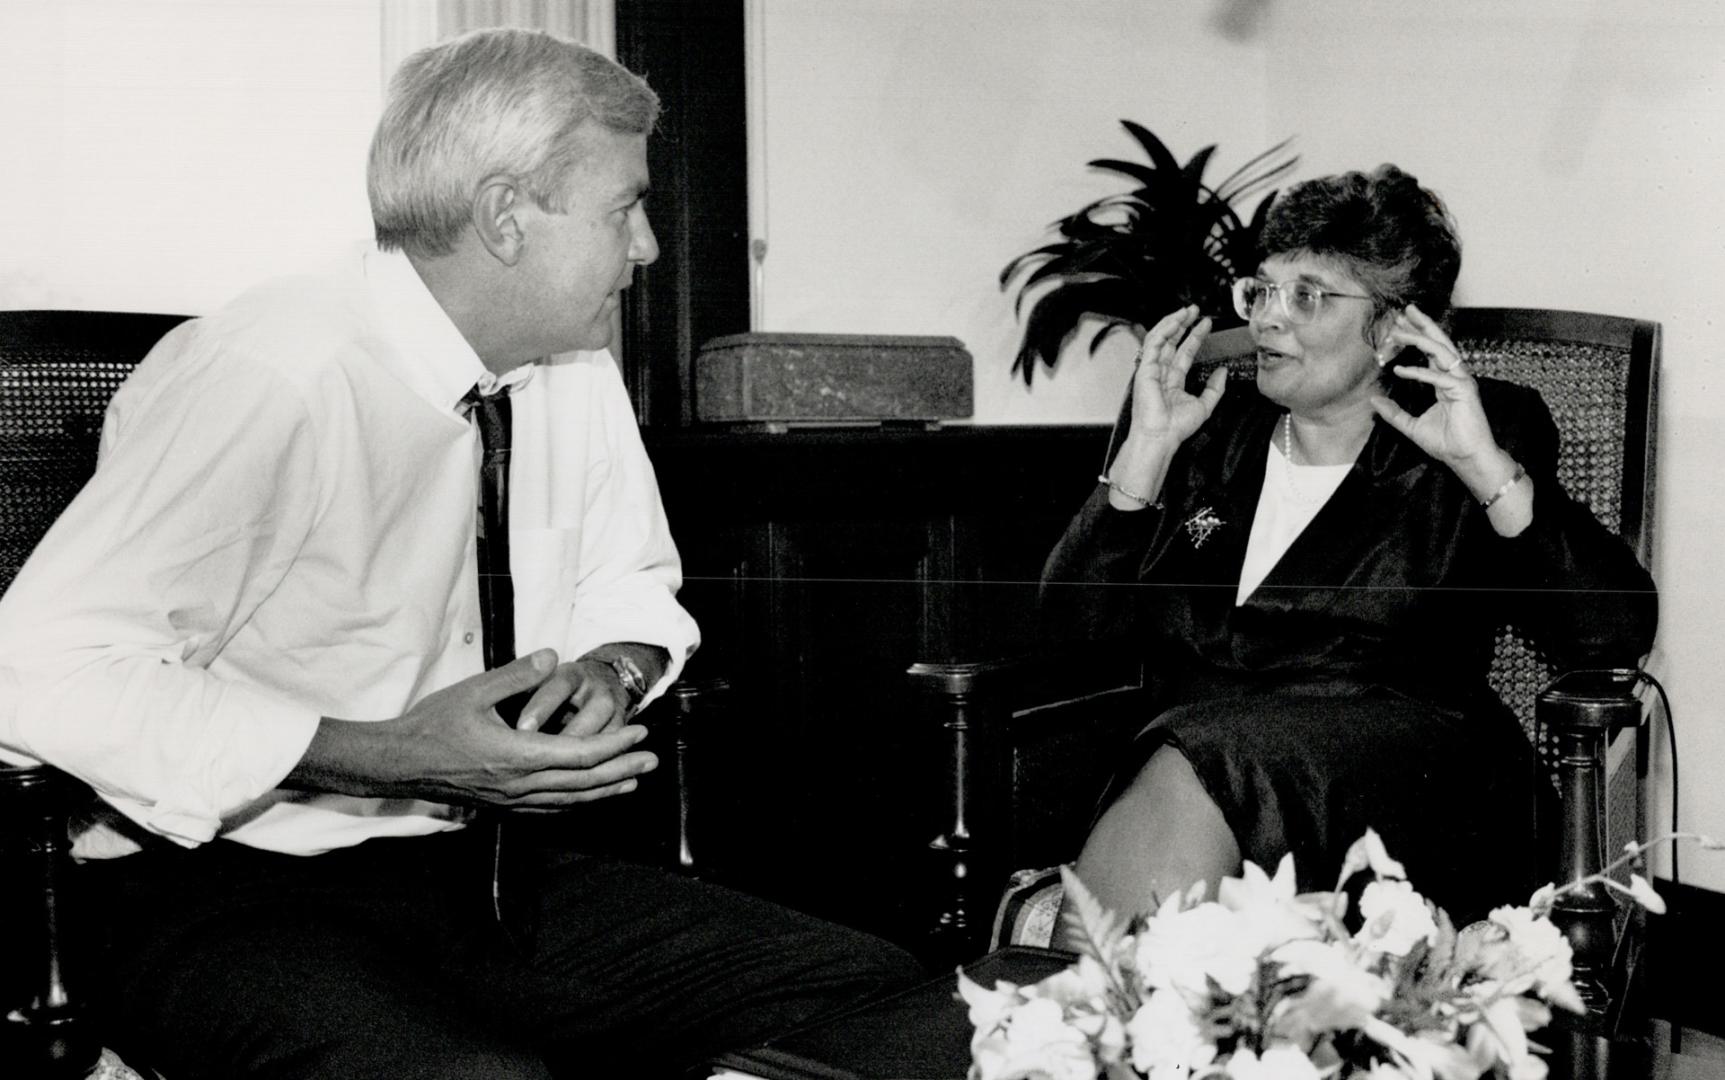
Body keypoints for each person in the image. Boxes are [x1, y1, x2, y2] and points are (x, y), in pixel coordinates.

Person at [0, 28, 918, 1080]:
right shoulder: (276, 371)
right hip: (217, 894)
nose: (651, 247)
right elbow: (35, 675)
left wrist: (608, 673)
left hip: (476, 874)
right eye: (625, 208)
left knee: (873, 995)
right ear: (504, 216)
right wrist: (393, 752)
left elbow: (631, 581)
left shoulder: (566, 359)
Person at [1040, 164, 1657, 933]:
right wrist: (1139, 464)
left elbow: (1613, 635)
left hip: (1408, 787)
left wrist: (1485, 471)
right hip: (1206, 760)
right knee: (1202, 756)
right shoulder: (1206, 427)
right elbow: (1068, 634)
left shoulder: (1477, 425)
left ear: (1393, 325)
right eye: (1261, 289)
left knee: (1206, 760)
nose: (1267, 318)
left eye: (1307, 294)